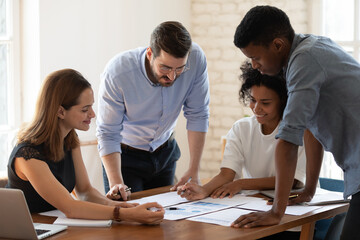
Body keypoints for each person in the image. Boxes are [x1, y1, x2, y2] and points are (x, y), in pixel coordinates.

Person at [232, 5, 360, 239]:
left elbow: (288, 140)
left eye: (256, 57)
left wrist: (276, 212)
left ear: (278, 45)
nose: (254, 66)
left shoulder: (305, 60)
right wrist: (308, 190)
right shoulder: (308, 49)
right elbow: (310, 129)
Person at [6, 69, 164, 224]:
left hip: (54, 226)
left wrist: (123, 206)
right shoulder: (27, 155)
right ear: (60, 111)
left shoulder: (69, 139)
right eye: (85, 109)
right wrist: (125, 214)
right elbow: (70, 208)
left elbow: (85, 192)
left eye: (91, 106)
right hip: (25, 229)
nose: (93, 114)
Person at [178, 62, 306, 240]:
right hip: (255, 207)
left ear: (283, 101)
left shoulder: (297, 131)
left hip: (290, 215)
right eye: (253, 100)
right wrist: (204, 190)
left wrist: (241, 184)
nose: (256, 108)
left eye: (266, 103)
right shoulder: (242, 128)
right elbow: (227, 174)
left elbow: (294, 182)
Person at [96, 21, 210, 200]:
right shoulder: (118, 72)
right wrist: (117, 184)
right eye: (165, 67)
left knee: (169, 219)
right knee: (128, 221)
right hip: (125, 158)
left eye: (179, 68)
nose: (172, 76)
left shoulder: (196, 59)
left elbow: (198, 114)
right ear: (150, 54)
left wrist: (194, 170)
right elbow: (108, 133)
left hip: (165, 152)